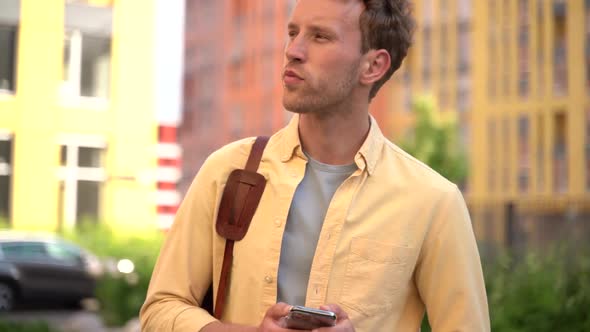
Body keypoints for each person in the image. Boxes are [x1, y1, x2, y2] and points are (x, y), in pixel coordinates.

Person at [140, 0, 490, 331]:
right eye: (293, 32)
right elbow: (160, 309)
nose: (293, 50)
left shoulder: (433, 201)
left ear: (373, 66)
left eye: (320, 36)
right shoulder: (228, 171)